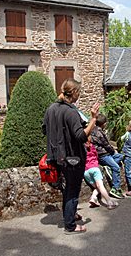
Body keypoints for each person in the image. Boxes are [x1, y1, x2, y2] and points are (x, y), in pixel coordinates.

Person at [42, 78, 99, 234]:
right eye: (78, 92)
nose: (79, 95)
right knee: (72, 191)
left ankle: (70, 213)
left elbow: (44, 130)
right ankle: (70, 225)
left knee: (67, 189)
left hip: (56, 157)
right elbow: (81, 136)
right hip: (72, 157)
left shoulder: (51, 109)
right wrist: (93, 119)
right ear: (73, 92)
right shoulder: (71, 111)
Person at [91, 114, 125, 199]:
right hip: (103, 155)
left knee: (121, 156)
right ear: (104, 124)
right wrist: (113, 151)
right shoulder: (100, 132)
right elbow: (106, 145)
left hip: (102, 154)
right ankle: (115, 189)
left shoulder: (93, 130)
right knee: (116, 167)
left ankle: (108, 167)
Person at [84, 136, 119, 210]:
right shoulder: (92, 146)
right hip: (94, 168)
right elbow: (96, 156)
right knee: (100, 186)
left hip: (86, 171)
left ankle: (93, 198)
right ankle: (109, 202)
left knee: (97, 187)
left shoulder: (80, 149)